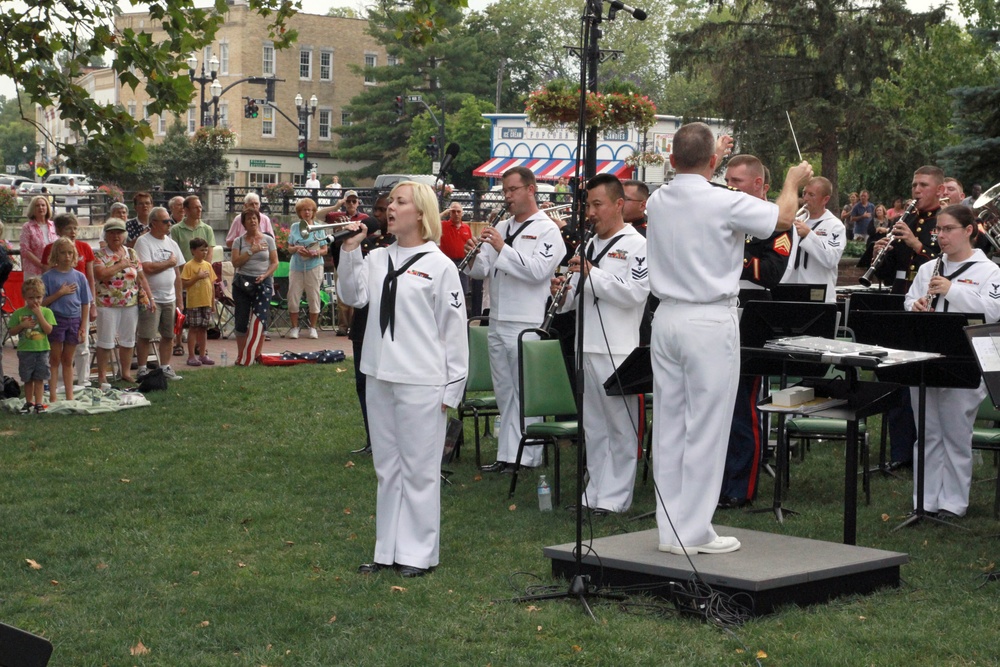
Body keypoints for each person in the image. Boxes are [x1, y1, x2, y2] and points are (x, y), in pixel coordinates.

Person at [646, 122, 811, 555]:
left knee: (669, 425)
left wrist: (709, 155)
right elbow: (783, 218)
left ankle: (670, 529)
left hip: (666, 318)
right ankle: (694, 531)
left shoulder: (659, 199)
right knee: (707, 426)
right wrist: (793, 181)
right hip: (707, 320)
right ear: (715, 162)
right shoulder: (725, 201)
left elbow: (691, 176)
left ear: (672, 160)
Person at [338, 181, 468, 578]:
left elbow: (453, 330)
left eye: (399, 202)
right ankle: (386, 549)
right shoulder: (376, 258)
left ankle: (417, 553)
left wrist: (453, 387)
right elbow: (352, 295)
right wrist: (350, 251)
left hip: (422, 380)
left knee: (419, 469)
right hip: (380, 374)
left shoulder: (440, 265)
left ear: (421, 213)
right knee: (387, 467)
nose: (390, 208)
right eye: (389, 202)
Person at [550, 174, 648, 514]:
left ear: (618, 204)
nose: (590, 212)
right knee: (593, 426)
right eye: (588, 205)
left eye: (597, 205)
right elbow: (577, 300)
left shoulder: (638, 245)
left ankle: (617, 499)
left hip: (619, 347)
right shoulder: (587, 245)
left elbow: (635, 294)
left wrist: (594, 274)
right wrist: (561, 295)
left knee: (621, 427)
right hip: (586, 344)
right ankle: (595, 493)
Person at [463, 166, 563, 472]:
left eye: (513, 190)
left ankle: (529, 456)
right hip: (498, 317)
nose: (507, 196)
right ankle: (508, 453)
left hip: (526, 321)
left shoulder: (548, 230)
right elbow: (482, 271)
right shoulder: (503, 226)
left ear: (531, 190)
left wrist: (501, 247)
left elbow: (537, 272)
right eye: (504, 191)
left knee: (524, 390)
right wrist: (473, 256)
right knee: (504, 390)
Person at [904, 205, 1000, 517]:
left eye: (948, 229)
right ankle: (925, 500)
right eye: (938, 230)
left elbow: (992, 311)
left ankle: (954, 502)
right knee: (928, 431)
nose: (941, 236)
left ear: (969, 230)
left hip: (964, 361)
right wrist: (914, 306)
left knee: (956, 433)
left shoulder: (989, 272)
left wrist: (952, 290)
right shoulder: (928, 268)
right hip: (925, 357)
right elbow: (908, 300)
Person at [719, 155, 792, 509]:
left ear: (761, 185)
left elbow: (772, 270)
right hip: (715, 307)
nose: (730, 186)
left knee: (741, 404)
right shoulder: (719, 210)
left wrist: (729, 255)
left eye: (738, 181)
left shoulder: (776, 220)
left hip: (750, 312)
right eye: (728, 179)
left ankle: (739, 486)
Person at [872, 165, 947, 469]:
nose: (916, 190)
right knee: (899, 379)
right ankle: (900, 452)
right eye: (914, 184)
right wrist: (881, 252)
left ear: (940, 190)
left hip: (936, 307)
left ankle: (928, 451)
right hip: (903, 300)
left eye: (923, 185)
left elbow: (950, 263)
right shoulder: (907, 218)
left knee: (927, 380)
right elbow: (894, 271)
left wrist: (916, 245)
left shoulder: (947, 222)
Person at [347, 193, 392, 455]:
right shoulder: (364, 241)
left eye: (384, 209)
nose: (379, 214)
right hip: (362, 324)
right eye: (376, 209)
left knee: (381, 385)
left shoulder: (397, 243)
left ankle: (385, 439)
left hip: (384, 326)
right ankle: (371, 437)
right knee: (362, 384)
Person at [94, 218, 153, 385]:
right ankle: (102, 376)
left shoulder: (131, 253)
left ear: (124, 235)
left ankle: (125, 372)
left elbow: (141, 277)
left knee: (128, 340)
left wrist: (150, 298)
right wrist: (121, 265)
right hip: (107, 303)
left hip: (130, 303)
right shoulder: (99, 254)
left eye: (119, 232)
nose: (115, 236)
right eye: (111, 232)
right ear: (106, 235)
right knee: (106, 341)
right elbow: (101, 274)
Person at [40, 213, 97, 388]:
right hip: (56, 319)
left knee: (77, 350)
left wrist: (88, 312)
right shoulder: (49, 276)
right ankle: (56, 387)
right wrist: (60, 293)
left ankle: (80, 382)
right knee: (55, 356)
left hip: (76, 317)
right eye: (68, 228)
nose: (66, 256)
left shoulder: (79, 273)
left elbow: (87, 293)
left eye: (75, 228)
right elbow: (42, 301)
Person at [133, 206, 184, 377]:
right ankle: (141, 368)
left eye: (170, 220)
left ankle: (165, 367)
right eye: (165, 221)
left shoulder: (172, 243)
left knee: (168, 335)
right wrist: (168, 263)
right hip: (150, 297)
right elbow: (146, 268)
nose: (169, 224)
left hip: (169, 297)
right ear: (154, 223)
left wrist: (180, 299)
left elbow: (177, 272)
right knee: (146, 334)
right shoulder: (144, 241)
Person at [780, 176, 846, 303]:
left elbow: (831, 259)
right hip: (790, 290)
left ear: (825, 199)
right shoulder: (795, 220)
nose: (805, 199)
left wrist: (809, 235)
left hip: (819, 294)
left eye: (811, 195)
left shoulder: (835, 226)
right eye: (804, 193)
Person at [230, 208, 278, 365]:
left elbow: (274, 262)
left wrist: (266, 275)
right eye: (249, 218)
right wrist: (251, 251)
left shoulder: (268, 239)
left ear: (259, 220)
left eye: (255, 218)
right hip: (243, 283)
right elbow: (235, 263)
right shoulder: (239, 241)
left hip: (263, 281)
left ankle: (257, 354)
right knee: (241, 319)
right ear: (243, 223)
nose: (252, 221)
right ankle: (241, 355)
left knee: (260, 319)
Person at [7, 278, 56, 413]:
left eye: (38, 297)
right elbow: (11, 331)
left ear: (43, 296)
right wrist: (22, 326)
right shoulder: (19, 313)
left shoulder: (47, 312)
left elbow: (48, 330)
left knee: (39, 378)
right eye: (31, 298)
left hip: (42, 350)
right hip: (25, 350)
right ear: (25, 297)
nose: (35, 301)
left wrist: (39, 314)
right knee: (27, 378)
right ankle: (28, 402)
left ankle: (39, 403)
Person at [286, 197, 329, 340]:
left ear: (313, 212)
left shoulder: (319, 227)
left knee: (313, 295)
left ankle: (312, 328)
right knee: (293, 296)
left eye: (309, 210)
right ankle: (294, 327)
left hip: (314, 265)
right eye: (304, 210)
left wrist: (315, 253)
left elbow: (325, 249)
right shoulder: (294, 227)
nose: (306, 212)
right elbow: (289, 247)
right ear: (299, 212)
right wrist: (296, 248)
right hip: (297, 266)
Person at [181, 238, 218, 368]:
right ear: (193, 250)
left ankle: (202, 354)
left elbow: (212, 284)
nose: (204, 252)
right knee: (194, 328)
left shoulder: (208, 265)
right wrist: (197, 277)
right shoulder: (189, 266)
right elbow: (184, 283)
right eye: (201, 250)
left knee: (203, 328)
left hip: (206, 301)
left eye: (206, 250)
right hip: (194, 303)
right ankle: (191, 355)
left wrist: (212, 302)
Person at [439, 201, 473, 294]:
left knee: (463, 291)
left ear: (462, 213)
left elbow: (470, 247)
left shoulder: (466, 228)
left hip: (463, 263)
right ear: (449, 213)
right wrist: (444, 213)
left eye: (458, 211)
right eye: (453, 211)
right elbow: (431, 222)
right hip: (447, 263)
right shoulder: (443, 225)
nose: (456, 214)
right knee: (447, 291)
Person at [170, 195, 217, 263]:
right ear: (186, 210)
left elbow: (210, 253)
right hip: (184, 271)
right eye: (195, 208)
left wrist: (203, 269)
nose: (199, 210)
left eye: (200, 207)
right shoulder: (176, 229)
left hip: (203, 271)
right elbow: (175, 254)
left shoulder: (207, 229)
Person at [19, 196, 56, 278]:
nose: (41, 207)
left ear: (47, 208)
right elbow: (25, 250)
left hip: (53, 270)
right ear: (33, 209)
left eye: (43, 205)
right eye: (37, 205)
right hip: (34, 272)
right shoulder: (27, 227)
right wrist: (42, 265)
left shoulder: (54, 225)